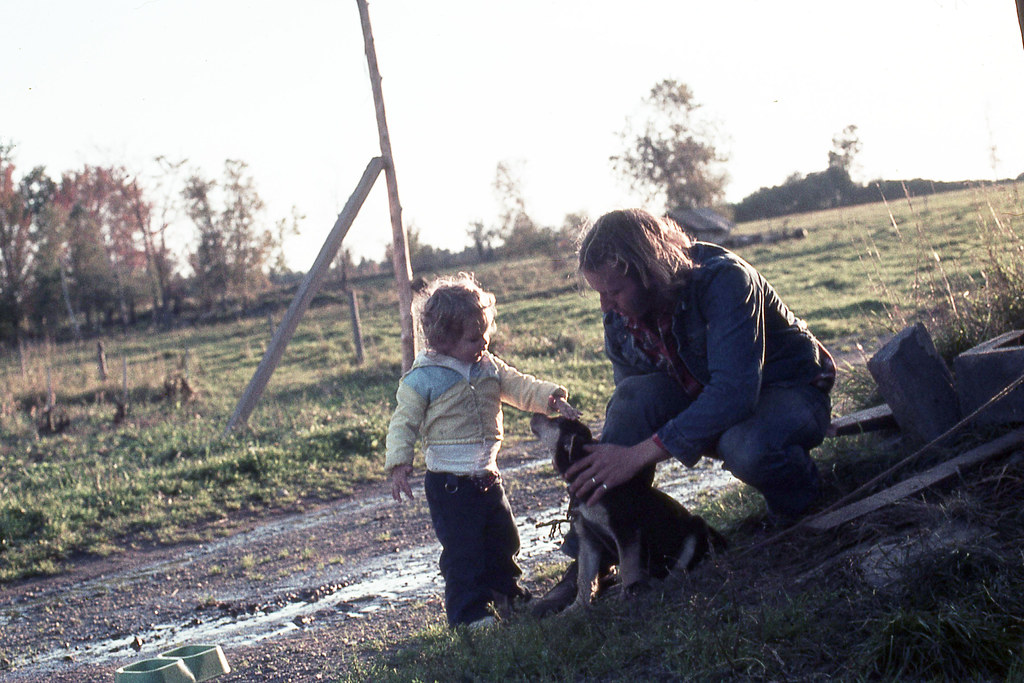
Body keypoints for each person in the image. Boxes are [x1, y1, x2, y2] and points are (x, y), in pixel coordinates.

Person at [532, 208, 834, 615]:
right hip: (707, 395)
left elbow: (735, 393)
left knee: (745, 445)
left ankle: (801, 506)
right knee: (632, 400)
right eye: (599, 292)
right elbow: (636, 396)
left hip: (789, 393)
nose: (605, 305)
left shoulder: (725, 280)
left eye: (614, 291)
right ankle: (593, 558)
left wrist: (638, 454)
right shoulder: (620, 313)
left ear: (647, 270)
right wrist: (623, 456)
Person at [385, 272, 581, 629]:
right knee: (464, 553)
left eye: (486, 333)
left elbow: (521, 387)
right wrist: (399, 462)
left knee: (503, 540)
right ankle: (469, 615)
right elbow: (403, 423)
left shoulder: (489, 366)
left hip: (489, 478)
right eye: (474, 338)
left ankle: (507, 596)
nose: (484, 342)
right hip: (450, 486)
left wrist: (551, 397)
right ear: (442, 340)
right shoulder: (423, 379)